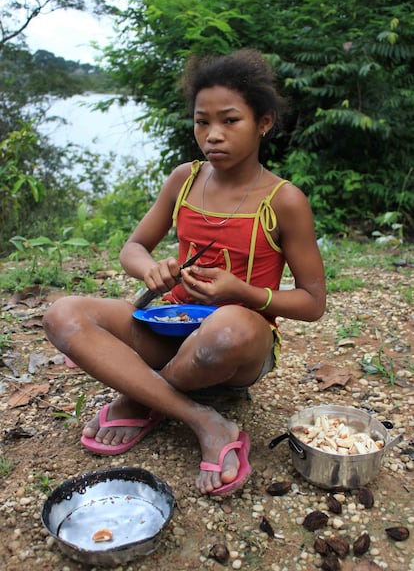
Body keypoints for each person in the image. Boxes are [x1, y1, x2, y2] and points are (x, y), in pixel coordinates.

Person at [43, 49, 326, 496]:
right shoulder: (185, 179)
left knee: (227, 329)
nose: (213, 135)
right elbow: (133, 247)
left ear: (264, 123)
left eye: (230, 121)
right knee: (63, 313)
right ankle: (204, 420)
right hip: (168, 326)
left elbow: (313, 303)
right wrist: (151, 269)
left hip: (236, 345)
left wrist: (243, 293)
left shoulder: (284, 200)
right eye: (202, 122)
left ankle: (138, 394)